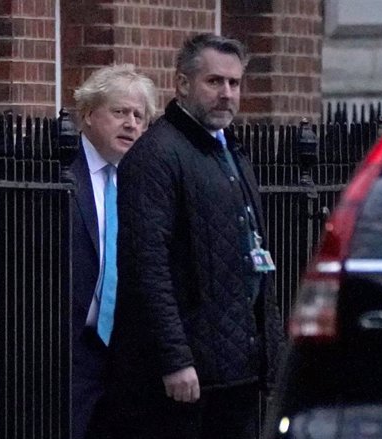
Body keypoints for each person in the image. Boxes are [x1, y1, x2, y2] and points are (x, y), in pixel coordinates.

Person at [89, 33, 284, 439]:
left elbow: (253, 257)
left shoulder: (229, 150)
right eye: (214, 82)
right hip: (183, 380)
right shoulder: (157, 155)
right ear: (181, 83)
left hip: (236, 369)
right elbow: (148, 266)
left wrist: (270, 352)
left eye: (234, 83)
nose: (227, 93)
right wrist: (175, 359)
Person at [69, 63, 156, 439]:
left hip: (125, 351)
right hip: (68, 348)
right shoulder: (61, 172)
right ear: (88, 114)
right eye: (120, 112)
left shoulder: (144, 180)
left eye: (140, 116)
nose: (131, 124)